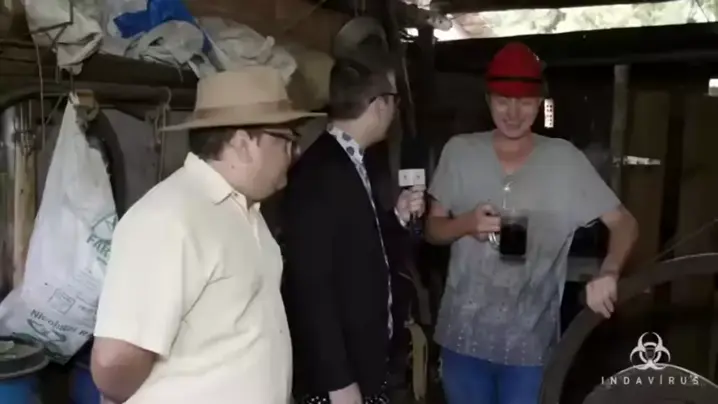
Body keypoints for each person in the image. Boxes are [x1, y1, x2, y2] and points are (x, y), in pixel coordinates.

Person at [90, 66, 323, 404]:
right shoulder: (168, 219)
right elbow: (113, 365)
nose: (295, 152)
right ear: (243, 144)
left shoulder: (247, 212)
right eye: (287, 140)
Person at [425, 42, 639, 404]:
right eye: (502, 100)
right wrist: (465, 224)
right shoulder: (459, 152)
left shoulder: (565, 161)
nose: (513, 113)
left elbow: (625, 223)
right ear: (488, 99)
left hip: (530, 345)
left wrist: (610, 271)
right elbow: (433, 230)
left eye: (524, 101)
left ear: (540, 103)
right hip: (463, 338)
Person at [281, 59, 425, 404]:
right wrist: (339, 382)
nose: (396, 111)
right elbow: (310, 286)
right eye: (394, 100)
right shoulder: (318, 173)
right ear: (379, 105)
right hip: (338, 381)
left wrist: (396, 217)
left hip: (365, 363)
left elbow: (356, 246)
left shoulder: (354, 160)